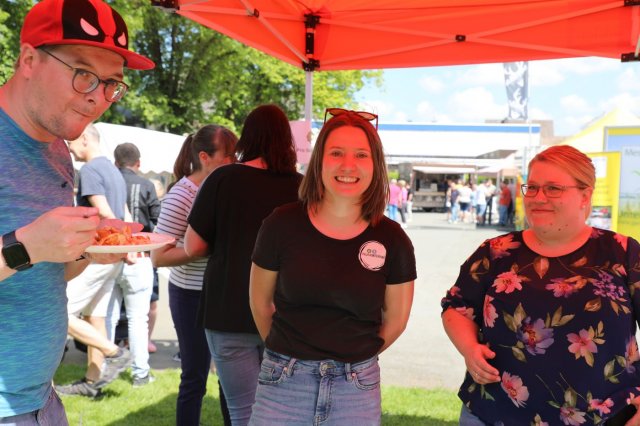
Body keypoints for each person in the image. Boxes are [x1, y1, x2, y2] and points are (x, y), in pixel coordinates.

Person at [0, 0, 154, 422]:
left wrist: (91, 247)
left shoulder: (57, 149)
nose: (98, 98)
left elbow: (45, 271)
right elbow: (26, 252)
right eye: (83, 74)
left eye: (112, 84)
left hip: (40, 400)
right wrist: (23, 247)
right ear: (28, 60)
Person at [441, 145, 640, 425]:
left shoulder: (623, 253)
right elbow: (457, 307)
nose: (538, 197)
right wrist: (469, 348)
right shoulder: (496, 251)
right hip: (493, 412)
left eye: (553, 188)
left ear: (585, 195)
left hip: (604, 416)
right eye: (532, 187)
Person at [248, 108, 416, 425]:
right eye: (336, 153)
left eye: (361, 155)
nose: (348, 165)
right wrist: (289, 355)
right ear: (319, 161)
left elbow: (396, 321)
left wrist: (354, 356)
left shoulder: (393, 239)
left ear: (375, 164)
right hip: (283, 383)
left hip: (356, 390)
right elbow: (260, 303)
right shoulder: (281, 224)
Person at [185, 104, 302, 426]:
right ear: (286, 139)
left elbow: (193, 246)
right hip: (284, 313)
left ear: (247, 137)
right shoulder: (302, 186)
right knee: (285, 412)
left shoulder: (223, 178)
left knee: (243, 414)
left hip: (227, 309)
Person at [152, 125, 237, 426]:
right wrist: (202, 249)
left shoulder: (226, 188)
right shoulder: (182, 195)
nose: (235, 161)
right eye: (229, 155)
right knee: (195, 376)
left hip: (221, 294)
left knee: (231, 378)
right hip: (191, 296)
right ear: (204, 157)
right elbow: (158, 256)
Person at [57, 124, 132, 398]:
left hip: (96, 255)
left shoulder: (89, 170)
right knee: (95, 316)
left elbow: (104, 211)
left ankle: (115, 353)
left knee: (60, 312)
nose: (69, 147)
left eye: (71, 141)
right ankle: (92, 382)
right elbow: (125, 213)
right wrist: (128, 246)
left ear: (85, 138)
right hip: (112, 256)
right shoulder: (114, 170)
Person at [108, 142, 161, 387]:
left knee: (107, 315)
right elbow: (158, 220)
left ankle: (103, 368)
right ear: (138, 163)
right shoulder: (146, 185)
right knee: (138, 318)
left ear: (116, 162)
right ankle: (140, 373)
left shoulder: (108, 182)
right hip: (139, 255)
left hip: (108, 255)